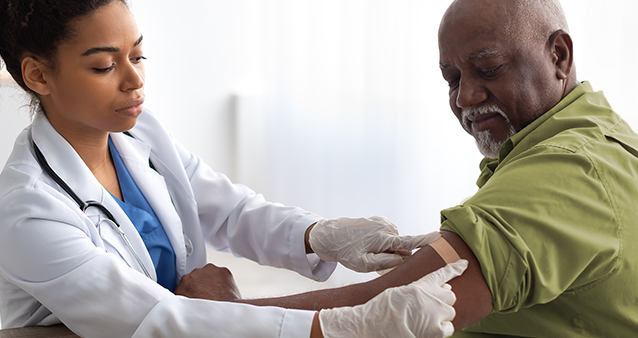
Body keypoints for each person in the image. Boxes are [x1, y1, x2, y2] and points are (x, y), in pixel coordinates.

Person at [0, 1, 469, 337]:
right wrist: (336, 327)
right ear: (38, 76)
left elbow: (229, 211)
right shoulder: (27, 210)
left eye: (138, 56)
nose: (135, 80)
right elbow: (151, 320)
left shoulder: (141, 137)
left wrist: (320, 234)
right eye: (105, 66)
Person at [177, 0, 638, 336]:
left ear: (559, 55)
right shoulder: (589, 136)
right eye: (453, 79)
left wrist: (228, 314)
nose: (466, 97)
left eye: (489, 69)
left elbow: (385, 310)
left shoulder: (570, 169)